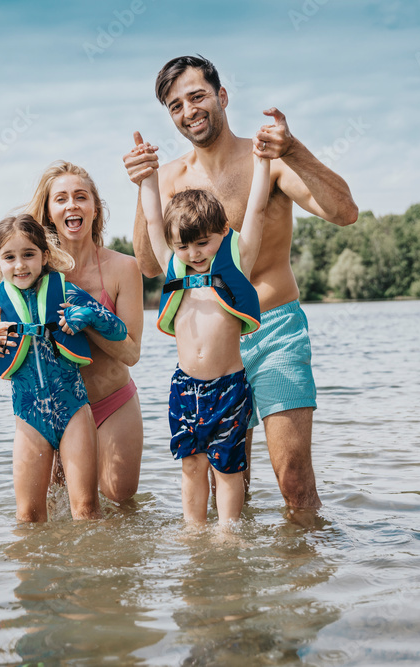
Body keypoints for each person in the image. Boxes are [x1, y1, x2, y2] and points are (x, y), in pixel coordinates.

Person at [123, 55, 359, 512]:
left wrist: (292, 150)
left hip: (273, 331)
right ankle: (233, 579)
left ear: (221, 96)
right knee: (231, 490)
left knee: (293, 479)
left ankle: (305, 574)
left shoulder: (267, 159)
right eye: (175, 105)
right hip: (210, 353)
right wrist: (142, 185)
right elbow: (151, 266)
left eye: (197, 96)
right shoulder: (170, 177)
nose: (188, 110)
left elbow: (344, 213)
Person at [137, 129, 270, 526]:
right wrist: (147, 176)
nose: (193, 254)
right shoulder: (174, 265)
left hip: (228, 388)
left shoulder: (237, 260)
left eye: (203, 244)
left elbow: (258, 211)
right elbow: (151, 218)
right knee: (191, 465)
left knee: (228, 470)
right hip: (184, 387)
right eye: (184, 246)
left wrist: (262, 163)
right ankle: (194, 531)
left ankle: (228, 535)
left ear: (222, 235)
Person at [0, 214, 128, 522]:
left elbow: (118, 330)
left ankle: (94, 565)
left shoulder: (65, 294)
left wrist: (88, 315)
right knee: (28, 516)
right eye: (10, 257)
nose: (20, 265)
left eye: (28, 255)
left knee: (86, 511)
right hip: (29, 420)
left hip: (73, 412)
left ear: (44, 256)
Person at [25, 161, 144, 504]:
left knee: (120, 501)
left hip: (112, 401)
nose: (72, 204)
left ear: (95, 209)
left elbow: (131, 353)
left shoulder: (124, 268)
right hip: (56, 408)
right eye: (60, 199)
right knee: (54, 509)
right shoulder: (33, 272)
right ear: (49, 212)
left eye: (81, 197)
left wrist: (90, 320)